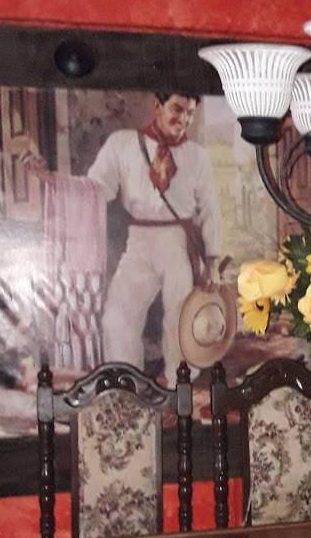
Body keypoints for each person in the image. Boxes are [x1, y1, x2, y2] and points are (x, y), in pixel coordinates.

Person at [27, 92, 221, 384]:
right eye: (177, 109)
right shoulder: (123, 144)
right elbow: (95, 189)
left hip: (179, 242)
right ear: (157, 106)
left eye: (190, 113)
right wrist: (53, 180)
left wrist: (213, 259)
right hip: (139, 240)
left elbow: (209, 209)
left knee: (180, 320)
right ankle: (128, 385)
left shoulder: (197, 156)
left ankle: (179, 388)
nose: (184, 119)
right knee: (117, 318)